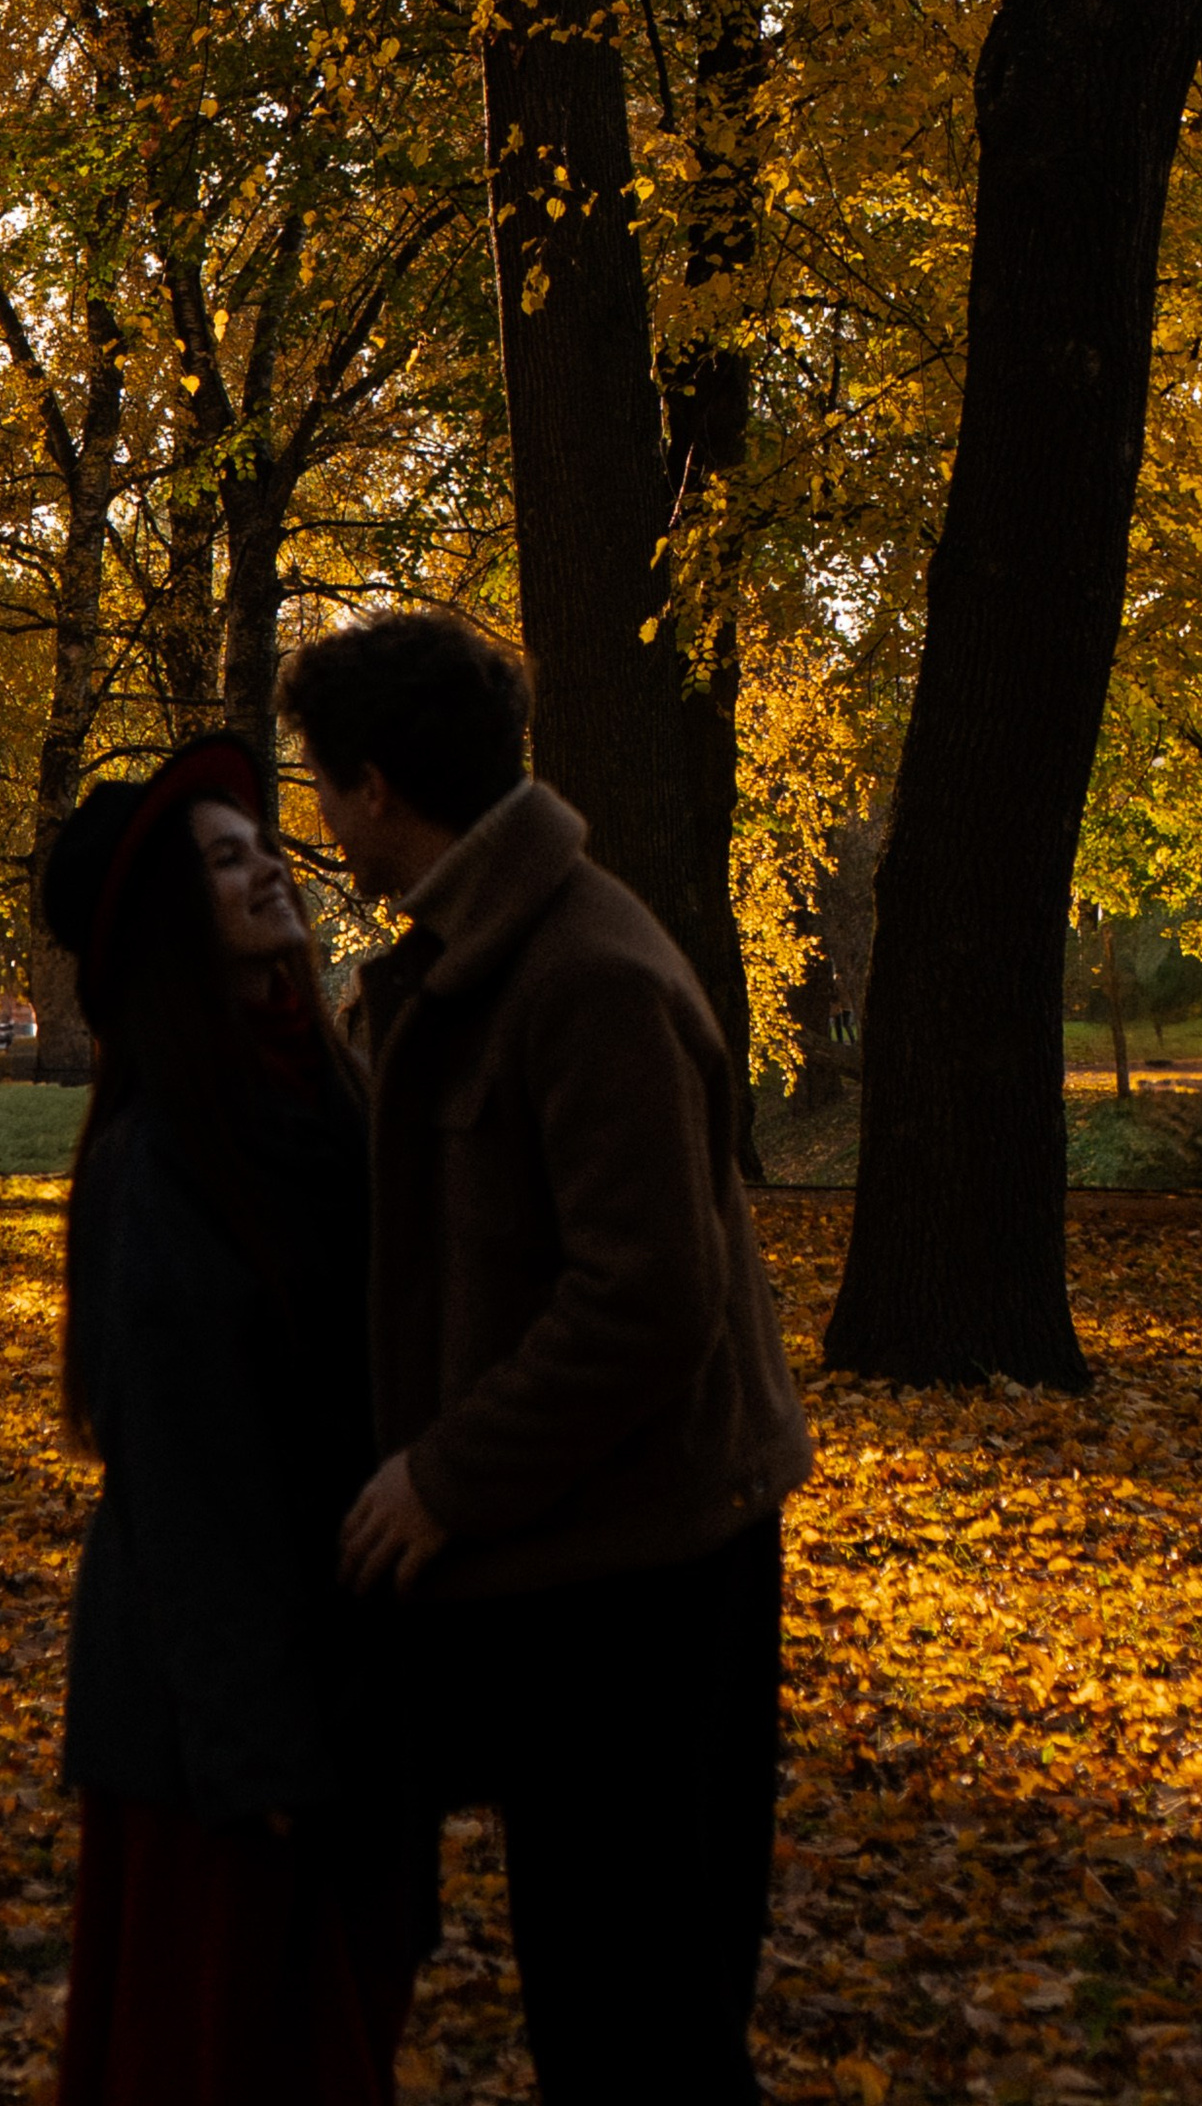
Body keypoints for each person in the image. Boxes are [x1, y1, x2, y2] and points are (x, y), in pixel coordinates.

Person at [277, 614, 813, 2106]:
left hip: (647, 1580)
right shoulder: (477, 958)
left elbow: (648, 1298)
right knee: (597, 1987)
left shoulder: (583, 976)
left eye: (322, 785)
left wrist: (444, 1479)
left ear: (377, 788)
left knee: (640, 2004)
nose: (317, 816)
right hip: (573, 1560)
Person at [45, 729, 430, 2106]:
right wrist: (259, 1752)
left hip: (343, 1692)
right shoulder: (164, 1159)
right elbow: (188, 1480)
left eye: (260, 841)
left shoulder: (323, 1089)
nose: (269, 863)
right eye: (225, 858)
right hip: (224, 1743)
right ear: (165, 924)